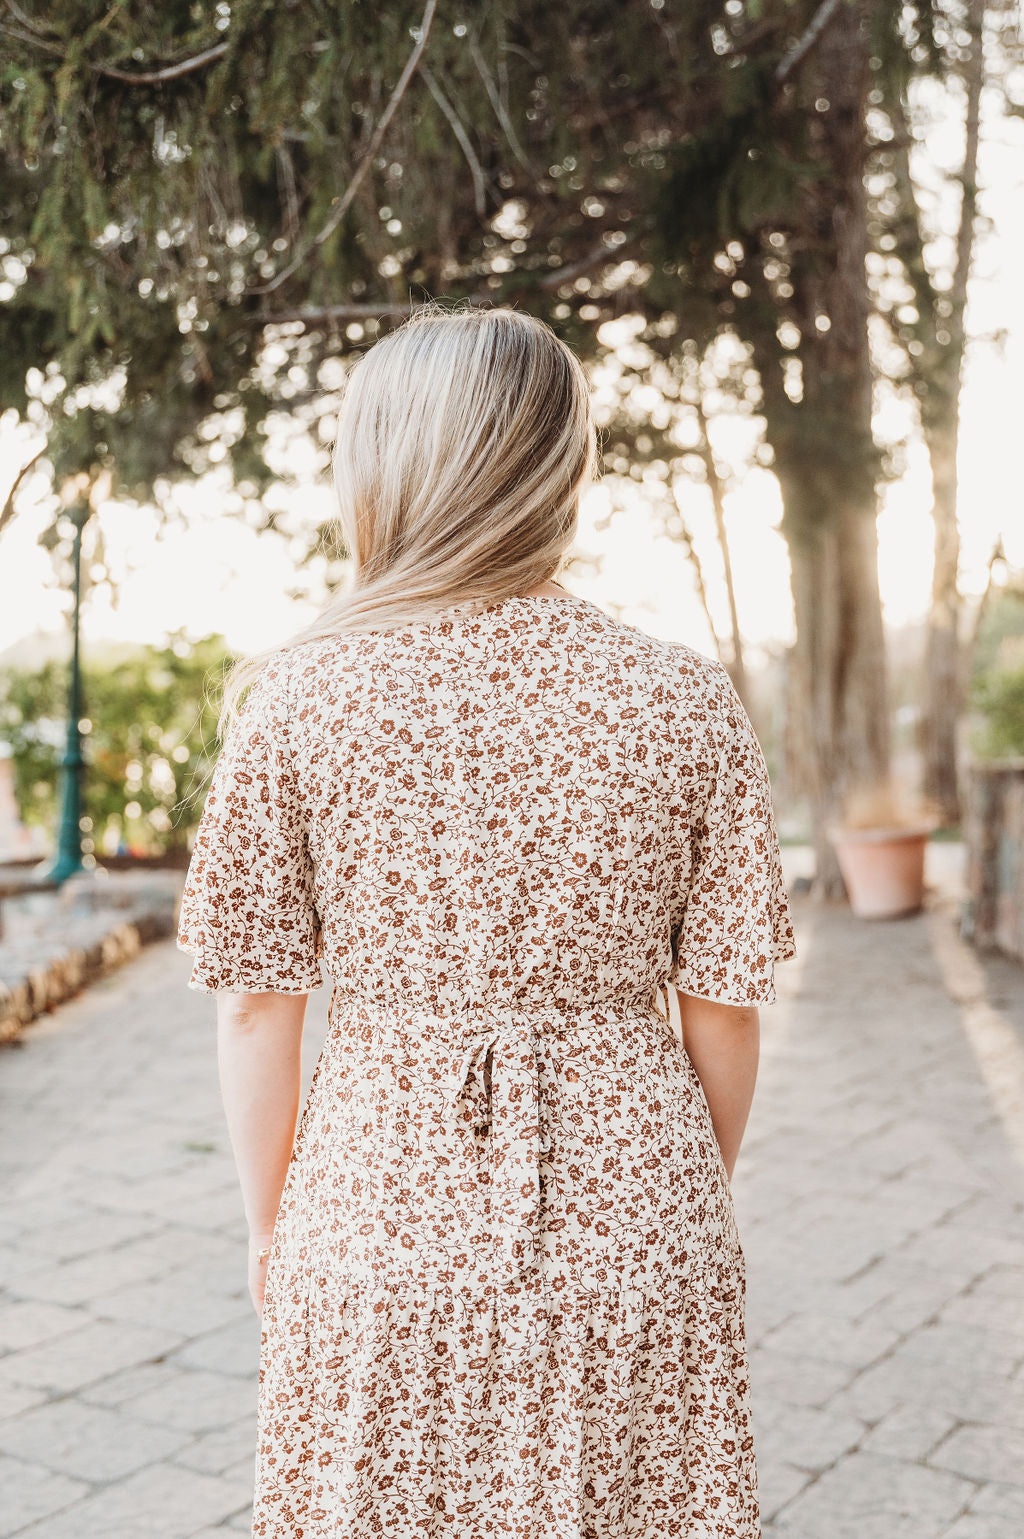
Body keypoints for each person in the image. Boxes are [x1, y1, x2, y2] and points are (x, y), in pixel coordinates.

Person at [177, 305, 797, 1539]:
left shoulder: (297, 697)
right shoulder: (679, 698)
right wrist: (672, 1195)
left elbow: (254, 1006)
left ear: (381, 468)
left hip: (370, 1216)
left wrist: (270, 1228)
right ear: (561, 470)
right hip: (637, 1212)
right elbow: (722, 1010)